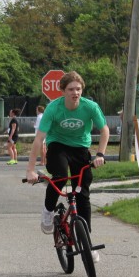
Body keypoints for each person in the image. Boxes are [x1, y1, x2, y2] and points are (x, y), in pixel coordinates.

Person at [24, 71, 109, 236]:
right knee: (60, 177)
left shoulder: (90, 107)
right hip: (58, 146)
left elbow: (104, 130)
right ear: (63, 91)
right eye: (71, 89)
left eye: (78, 89)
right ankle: (48, 211)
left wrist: (100, 155)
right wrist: (31, 170)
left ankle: (86, 238)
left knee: (83, 192)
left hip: (80, 148)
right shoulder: (53, 108)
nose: (75, 93)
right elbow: (39, 139)